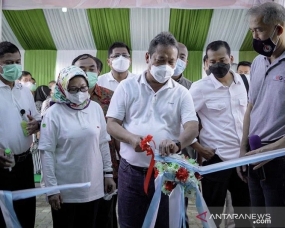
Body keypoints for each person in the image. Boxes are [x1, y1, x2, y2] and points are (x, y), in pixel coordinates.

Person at [106, 32, 199, 228]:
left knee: (164, 223)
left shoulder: (182, 93)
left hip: (166, 173)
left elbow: (192, 127)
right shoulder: (127, 87)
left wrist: (177, 143)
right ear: (148, 58)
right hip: (131, 172)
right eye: (160, 60)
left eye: (171, 61)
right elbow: (112, 123)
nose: (166, 66)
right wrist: (131, 139)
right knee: (130, 223)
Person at [38, 65, 116, 228]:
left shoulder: (95, 109)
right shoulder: (54, 113)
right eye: (72, 89)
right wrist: (51, 188)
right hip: (65, 190)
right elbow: (47, 152)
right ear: (62, 88)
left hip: (93, 186)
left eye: (83, 88)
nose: (79, 93)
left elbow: (103, 142)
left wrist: (108, 173)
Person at [189, 40, 251, 227]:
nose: (218, 65)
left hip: (243, 159)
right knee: (211, 215)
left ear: (231, 59)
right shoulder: (199, 88)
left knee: (245, 212)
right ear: (207, 63)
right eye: (213, 61)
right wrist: (198, 148)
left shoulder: (246, 82)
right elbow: (181, 121)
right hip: (216, 160)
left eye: (222, 60)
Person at [238, 2, 285, 227]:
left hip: (279, 157)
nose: (255, 37)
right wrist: (243, 148)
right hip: (254, 154)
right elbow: (250, 107)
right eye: (252, 31)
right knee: (259, 220)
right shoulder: (257, 62)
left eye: (260, 30)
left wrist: (275, 149)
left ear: (279, 29)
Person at [72, 53, 119, 228]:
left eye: (92, 69)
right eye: (81, 69)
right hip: (75, 167)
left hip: (107, 166)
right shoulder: (62, 99)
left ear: (99, 71)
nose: (87, 72)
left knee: (105, 216)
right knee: (79, 217)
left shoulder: (111, 96)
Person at [0, 41, 41, 227]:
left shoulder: (24, 91)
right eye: (8, 63)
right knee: (4, 215)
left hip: (25, 162)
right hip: (2, 164)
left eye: (18, 61)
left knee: (26, 212)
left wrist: (37, 124)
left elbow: (38, 118)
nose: (15, 67)